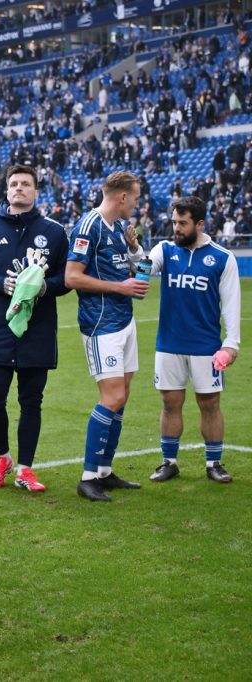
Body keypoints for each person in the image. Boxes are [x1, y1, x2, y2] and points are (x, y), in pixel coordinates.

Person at [0, 165, 70, 493]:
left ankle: (26, 469)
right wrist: (1, 284)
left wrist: (45, 287)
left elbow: (68, 277)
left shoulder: (54, 232)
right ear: (7, 190)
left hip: (37, 330)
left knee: (31, 400)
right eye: (14, 184)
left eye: (25, 184)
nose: (19, 188)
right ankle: (3, 457)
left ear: (36, 191)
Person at [65, 170, 148, 502]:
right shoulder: (89, 226)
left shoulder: (118, 228)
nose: (137, 204)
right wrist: (119, 287)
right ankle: (87, 478)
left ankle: (104, 471)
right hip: (101, 324)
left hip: (125, 320)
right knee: (112, 397)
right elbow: (72, 277)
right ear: (123, 196)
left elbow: (134, 270)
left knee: (122, 396)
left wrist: (134, 249)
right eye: (136, 198)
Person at [146, 196, 241, 484]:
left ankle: (214, 463)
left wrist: (231, 343)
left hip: (205, 346)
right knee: (169, 403)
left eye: (182, 223)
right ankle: (169, 462)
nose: (176, 228)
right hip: (169, 344)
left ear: (200, 224)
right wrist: (137, 252)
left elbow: (231, 304)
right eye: (174, 222)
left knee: (209, 403)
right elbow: (143, 271)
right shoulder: (164, 250)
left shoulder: (223, 257)